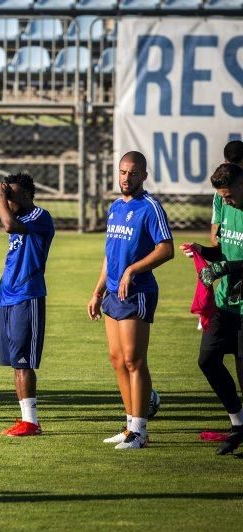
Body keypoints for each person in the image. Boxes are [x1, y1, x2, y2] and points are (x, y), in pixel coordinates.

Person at [87, 151, 174, 450]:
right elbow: (109, 254)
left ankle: (140, 430)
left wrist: (133, 270)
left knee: (134, 360)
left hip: (138, 293)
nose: (126, 178)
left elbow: (166, 249)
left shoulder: (150, 207)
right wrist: (98, 291)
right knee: (117, 361)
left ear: (144, 176)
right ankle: (129, 426)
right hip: (113, 293)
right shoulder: (114, 206)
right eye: (123, 172)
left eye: (133, 173)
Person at [180, 162, 243, 455]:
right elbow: (223, 249)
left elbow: (230, 261)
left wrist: (224, 267)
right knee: (207, 359)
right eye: (223, 196)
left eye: (229, 196)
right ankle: (238, 424)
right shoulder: (228, 207)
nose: (226, 201)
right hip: (225, 302)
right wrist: (202, 250)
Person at [0, 173, 55, 436]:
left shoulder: (41, 217)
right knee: (16, 362)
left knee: (24, 361)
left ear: (27, 196)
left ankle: (32, 422)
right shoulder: (21, 217)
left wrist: (0, 197)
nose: (8, 201)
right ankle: (25, 419)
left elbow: (7, 225)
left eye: (12, 196)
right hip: (7, 296)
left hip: (28, 296)